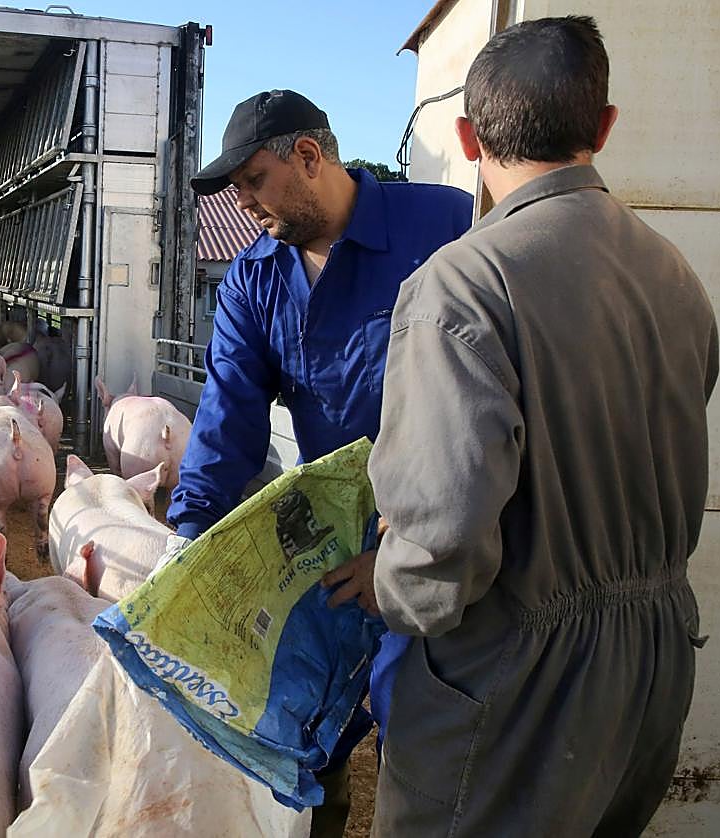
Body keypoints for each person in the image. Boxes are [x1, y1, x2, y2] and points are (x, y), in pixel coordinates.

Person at [335, 16, 717, 836]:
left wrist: (388, 582)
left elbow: (442, 543)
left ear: (467, 138)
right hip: (653, 668)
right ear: (603, 126)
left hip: (518, 687)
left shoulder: (465, 285)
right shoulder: (674, 274)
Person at [165, 88, 473, 832]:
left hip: (439, 530)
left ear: (308, 156)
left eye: (253, 181)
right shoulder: (255, 279)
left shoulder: (445, 227)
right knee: (309, 722)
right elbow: (229, 414)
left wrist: (410, 551)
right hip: (332, 536)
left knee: (421, 722)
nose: (243, 204)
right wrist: (187, 533)